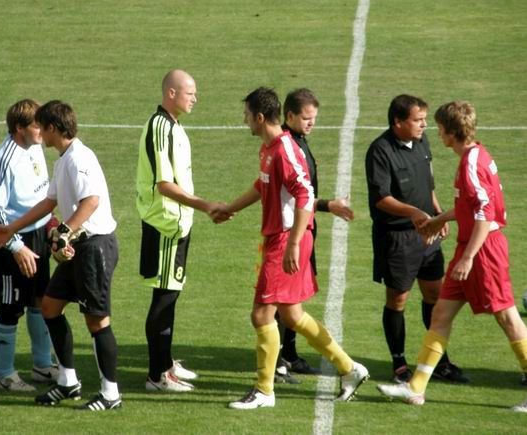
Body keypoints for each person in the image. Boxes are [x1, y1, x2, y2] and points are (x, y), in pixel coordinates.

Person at [220, 87, 368, 410]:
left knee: (261, 314)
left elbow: (304, 196)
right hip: (282, 238)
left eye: (247, 115)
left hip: (286, 239)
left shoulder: (285, 150)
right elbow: (262, 185)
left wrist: (294, 244)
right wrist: (231, 208)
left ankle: (264, 390)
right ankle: (349, 369)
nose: (245, 120)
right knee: (292, 314)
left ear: (260, 117)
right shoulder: (268, 148)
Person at [376, 101, 527, 411]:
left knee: (507, 317)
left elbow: (485, 214)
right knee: (441, 314)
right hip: (469, 246)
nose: (435, 132)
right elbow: (468, 207)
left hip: (483, 250)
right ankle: (416, 387)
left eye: (439, 127)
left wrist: (469, 257)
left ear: (450, 131)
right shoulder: (476, 155)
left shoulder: (471, 164)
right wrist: (439, 220)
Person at [0, 100, 121, 411]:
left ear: (53, 128)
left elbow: (91, 201)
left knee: (97, 321)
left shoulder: (78, 159)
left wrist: (64, 232)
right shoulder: (63, 160)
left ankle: (110, 394)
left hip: (95, 248)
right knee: (49, 306)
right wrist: (11, 229)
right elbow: (48, 203)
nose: (39, 133)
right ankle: (68, 381)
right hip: (80, 248)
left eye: (41, 126)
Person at [364, 94, 467, 384]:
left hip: (427, 233)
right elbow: (381, 198)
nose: (424, 125)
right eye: (417, 120)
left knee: (435, 295)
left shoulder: (422, 142)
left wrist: (437, 214)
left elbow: (428, 183)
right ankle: (399, 364)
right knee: (398, 299)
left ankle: (439, 361)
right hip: (397, 238)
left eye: (424, 119)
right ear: (398, 122)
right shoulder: (380, 151)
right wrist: (414, 213)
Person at [136, 69, 225, 392]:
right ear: (171, 93)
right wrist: (205, 205)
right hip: (164, 225)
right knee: (164, 298)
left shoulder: (174, 126)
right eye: (190, 93)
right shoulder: (160, 127)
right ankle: (157, 375)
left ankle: (165, 362)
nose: (195, 99)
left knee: (170, 296)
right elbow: (163, 184)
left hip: (177, 224)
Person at [273, 88, 355, 383]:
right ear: (290, 115)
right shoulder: (286, 147)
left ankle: (289, 354)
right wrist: (327, 205)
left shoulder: (298, 141)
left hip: (303, 228)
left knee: (292, 298)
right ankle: (278, 362)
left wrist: (326, 206)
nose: (312, 123)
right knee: (280, 301)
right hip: (290, 232)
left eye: (314, 118)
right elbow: (297, 198)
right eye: (307, 118)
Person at [0, 99, 57, 392]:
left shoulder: (36, 147)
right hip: (12, 242)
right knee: (11, 307)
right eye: (36, 125)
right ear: (19, 128)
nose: (42, 130)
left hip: (38, 234)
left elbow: (42, 194)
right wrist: (16, 247)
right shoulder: (4, 159)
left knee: (41, 299)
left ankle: (42, 365)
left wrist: (51, 225)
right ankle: (5, 375)